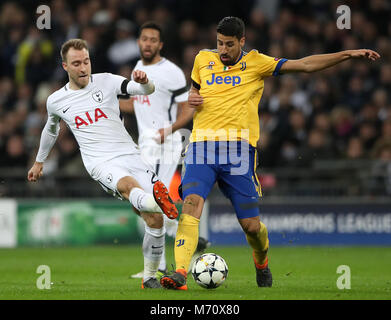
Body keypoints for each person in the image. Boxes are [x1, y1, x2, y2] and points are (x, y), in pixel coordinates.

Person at [160, 16, 380, 290]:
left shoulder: (257, 62)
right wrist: (192, 100)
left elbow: (305, 65)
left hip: (238, 152)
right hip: (201, 147)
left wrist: (347, 54)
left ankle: (261, 263)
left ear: (242, 41)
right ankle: (180, 273)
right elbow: (194, 93)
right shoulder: (202, 59)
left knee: (251, 226)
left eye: (229, 44)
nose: (224, 50)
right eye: (219, 44)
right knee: (191, 203)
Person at [27, 38, 179, 289]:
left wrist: (145, 82)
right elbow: (50, 130)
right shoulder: (56, 100)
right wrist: (39, 162)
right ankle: (158, 202)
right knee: (129, 187)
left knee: (155, 221)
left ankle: (150, 276)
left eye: (86, 61)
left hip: (131, 154)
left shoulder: (107, 80)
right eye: (76, 63)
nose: (83, 67)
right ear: (65, 66)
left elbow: (144, 91)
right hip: (100, 162)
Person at [119, 22, 209, 278]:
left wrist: (169, 130)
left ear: (160, 44)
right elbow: (138, 106)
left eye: (153, 40)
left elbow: (188, 107)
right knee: (143, 204)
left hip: (165, 144)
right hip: (146, 144)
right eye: (144, 38)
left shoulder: (171, 72)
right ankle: (190, 237)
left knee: (151, 199)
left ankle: (158, 266)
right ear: (138, 41)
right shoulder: (138, 68)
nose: (148, 43)